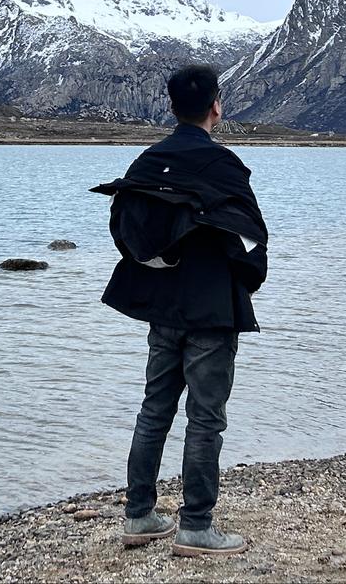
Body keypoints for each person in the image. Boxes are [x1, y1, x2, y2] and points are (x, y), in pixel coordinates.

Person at [91, 64, 268, 557]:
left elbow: (126, 231)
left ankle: (140, 515)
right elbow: (253, 238)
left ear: (170, 107)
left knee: (154, 409)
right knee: (205, 419)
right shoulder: (224, 165)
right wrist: (246, 285)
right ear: (217, 105)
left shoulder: (148, 161)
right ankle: (195, 526)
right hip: (212, 310)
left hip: (163, 308)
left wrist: (160, 260)